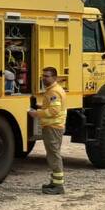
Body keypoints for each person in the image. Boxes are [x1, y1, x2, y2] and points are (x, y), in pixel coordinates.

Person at [28, 66, 67, 195]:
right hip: (54, 126)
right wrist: (41, 106)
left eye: (47, 76)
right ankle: (55, 182)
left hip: (53, 127)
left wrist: (37, 113)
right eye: (43, 76)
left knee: (54, 155)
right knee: (53, 154)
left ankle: (58, 186)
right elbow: (52, 107)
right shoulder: (53, 90)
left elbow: (54, 111)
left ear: (54, 77)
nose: (44, 78)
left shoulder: (54, 92)